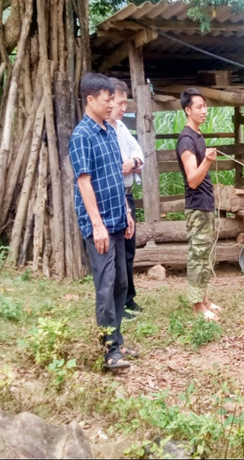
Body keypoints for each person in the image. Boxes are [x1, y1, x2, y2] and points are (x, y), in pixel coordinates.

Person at [69, 72, 139, 370]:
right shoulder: (82, 136)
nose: (112, 104)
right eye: (107, 99)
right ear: (90, 99)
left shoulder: (110, 131)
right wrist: (97, 225)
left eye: (113, 99)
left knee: (121, 282)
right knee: (106, 284)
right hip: (100, 225)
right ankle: (109, 349)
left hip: (118, 218)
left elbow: (115, 176)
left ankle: (117, 340)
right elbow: (84, 182)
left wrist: (126, 211)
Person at [176, 87, 221, 321]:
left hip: (205, 204)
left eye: (205, 106)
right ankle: (197, 307)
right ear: (188, 110)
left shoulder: (198, 135)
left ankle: (203, 300)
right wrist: (207, 161)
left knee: (204, 255)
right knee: (197, 255)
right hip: (196, 205)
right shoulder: (186, 140)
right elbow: (193, 180)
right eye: (199, 107)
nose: (204, 111)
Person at [107, 78, 144, 321]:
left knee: (128, 250)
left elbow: (138, 153)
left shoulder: (121, 128)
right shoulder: (102, 131)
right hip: (113, 198)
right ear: (108, 101)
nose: (124, 108)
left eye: (125, 103)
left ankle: (128, 298)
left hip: (128, 197)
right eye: (120, 103)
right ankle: (117, 304)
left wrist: (133, 162)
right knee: (115, 254)